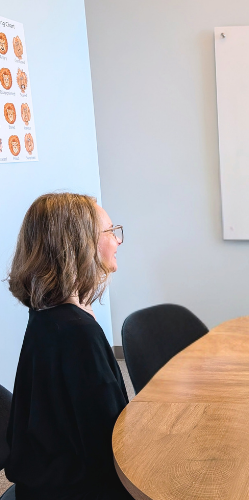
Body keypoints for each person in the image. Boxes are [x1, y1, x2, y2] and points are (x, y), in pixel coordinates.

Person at [5, 193, 133, 500]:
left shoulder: (46, 317)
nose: (117, 241)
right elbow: (113, 443)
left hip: (44, 482)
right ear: (80, 244)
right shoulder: (79, 333)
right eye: (110, 231)